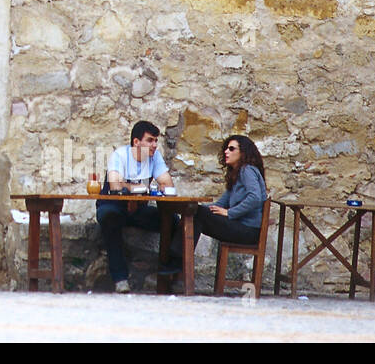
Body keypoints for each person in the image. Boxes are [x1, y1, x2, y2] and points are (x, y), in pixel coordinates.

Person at [162, 134, 268, 273]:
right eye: (226, 148)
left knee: (197, 213)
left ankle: (176, 262)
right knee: (195, 214)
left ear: (243, 153)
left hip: (248, 231)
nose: (226, 152)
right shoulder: (236, 175)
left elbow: (255, 197)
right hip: (241, 228)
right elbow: (219, 205)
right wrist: (194, 209)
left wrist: (230, 213)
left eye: (231, 149)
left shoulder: (246, 170)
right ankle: (177, 262)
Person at [95, 120, 176, 293]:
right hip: (113, 205)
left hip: (137, 208)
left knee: (173, 221)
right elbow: (116, 186)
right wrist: (140, 190)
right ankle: (120, 279)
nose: (155, 145)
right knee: (110, 218)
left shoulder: (155, 158)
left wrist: (135, 194)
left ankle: (169, 271)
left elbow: (167, 185)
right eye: (150, 140)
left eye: (156, 140)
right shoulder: (120, 155)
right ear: (136, 142)